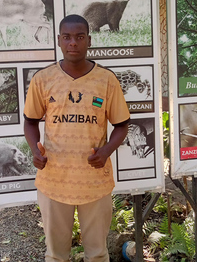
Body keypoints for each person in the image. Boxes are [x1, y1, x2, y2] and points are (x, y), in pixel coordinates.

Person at [23, 14, 130, 262]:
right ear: (59, 41)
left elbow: (122, 125)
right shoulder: (43, 79)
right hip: (54, 180)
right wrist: (35, 150)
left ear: (89, 41)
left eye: (79, 37)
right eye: (68, 37)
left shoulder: (106, 80)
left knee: (97, 254)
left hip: (94, 182)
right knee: (56, 255)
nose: (73, 43)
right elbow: (30, 121)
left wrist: (106, 151)